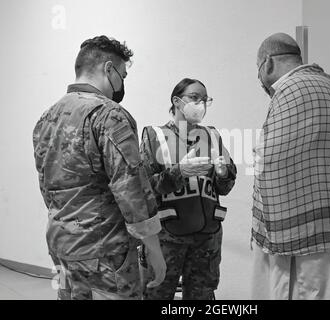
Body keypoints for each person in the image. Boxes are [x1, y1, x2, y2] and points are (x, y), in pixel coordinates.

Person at [32, 35, 166, 300]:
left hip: (62, 244)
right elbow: (131, 188)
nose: (122, 83)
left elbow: (47, 188)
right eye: (123, 75)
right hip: (105, 252)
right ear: (108, 69)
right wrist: (154, 249)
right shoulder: (109, 115)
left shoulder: (45, 118)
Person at [251, 33, 330, 300]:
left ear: (268, 63)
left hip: (311, 238)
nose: (259, 79)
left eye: (258, 69)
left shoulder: (291, 89)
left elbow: (272, 157)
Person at [140, 78, 237, 300]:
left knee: (202, 297)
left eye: (205, 100)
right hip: (167, 238)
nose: (200, 104)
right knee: (157, 294)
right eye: (194, 98)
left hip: (207, 238)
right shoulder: (154, 135)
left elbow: (226, 186)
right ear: (176, 101)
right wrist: (179, 172)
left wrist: (223, 174)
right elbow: (144, 188)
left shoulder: (212, 135)